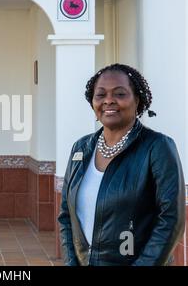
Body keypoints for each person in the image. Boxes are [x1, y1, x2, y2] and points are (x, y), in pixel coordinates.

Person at [58, 63, 186, 266]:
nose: (108, 100)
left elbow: (171, 220)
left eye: (120, 94)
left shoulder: (158, 147)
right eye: (100, 95)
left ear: (137, 100)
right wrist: (72, 262)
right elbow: (66, 216)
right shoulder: (81, 148)